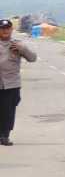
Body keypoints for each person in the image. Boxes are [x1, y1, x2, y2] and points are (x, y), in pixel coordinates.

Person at [0, 18, 38, 146]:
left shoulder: (17, 44)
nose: (5, 31)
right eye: (2, 29)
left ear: (11, 30)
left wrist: (23, 49)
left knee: (9, 111)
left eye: (7, 28)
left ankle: (5, 135)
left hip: (11, 84)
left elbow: (32, 58)